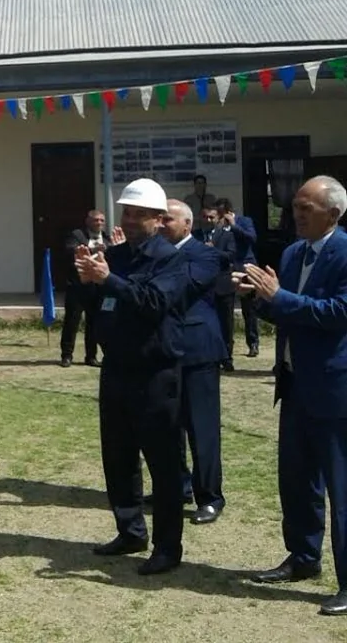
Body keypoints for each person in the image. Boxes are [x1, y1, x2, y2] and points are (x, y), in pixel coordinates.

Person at [75, 178, 189, 576]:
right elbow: (101, 303)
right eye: (128, 213)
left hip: (156, 372)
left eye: (141, 214)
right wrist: (89, 281)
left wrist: (108, 280)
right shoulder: (116, 255)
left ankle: (167, 547)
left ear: (159, 219)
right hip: (117, 368)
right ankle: (130, 530)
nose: (133, 220)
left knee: (163, 463)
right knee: (118, 456)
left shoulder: (171, 258)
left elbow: (153, 302)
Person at [245, 175, 347, 616]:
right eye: (295, 206)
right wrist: (258, 298)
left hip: (335, 389)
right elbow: (285, 313)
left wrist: (281, 298)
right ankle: (303, 557)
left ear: (334, 214)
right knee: (297, 479)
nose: (297, 213)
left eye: (307, 207)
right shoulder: (291, 253)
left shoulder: (345, 253)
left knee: (341, 490)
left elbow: (339, 313)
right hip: (294, 384)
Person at [160, 200, 227, 526]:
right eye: (158, 219)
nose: (161, 224)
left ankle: (210, 497)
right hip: (164, 351)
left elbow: (178, 290)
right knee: (167, 427)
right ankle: (179, 486)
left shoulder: (204, 254)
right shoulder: (154, 252)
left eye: (167, 219)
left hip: (197, 351)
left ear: (187, 224)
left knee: (202, 429)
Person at [208, 197, 260, 366]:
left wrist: (235, 225)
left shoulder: (244, 221)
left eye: (223, 214)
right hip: (227, 270)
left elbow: (251, 238)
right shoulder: (218, 228)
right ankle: (226, 349)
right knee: (226, 311)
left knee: (249, 307)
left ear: (229, 212)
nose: (221, 217)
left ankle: (253, 342)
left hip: (245, 265)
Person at [60, 210, 112, 368]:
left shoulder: (107, 238)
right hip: (77, 287)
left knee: (94, 323)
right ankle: (67, 355)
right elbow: (71, 250)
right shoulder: (77, 235)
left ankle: (91, 356)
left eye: (102, 220)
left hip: (96, 288)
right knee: (72, 322)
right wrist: (95, 250)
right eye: (96, 220)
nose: (99, 223)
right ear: (88, 221)